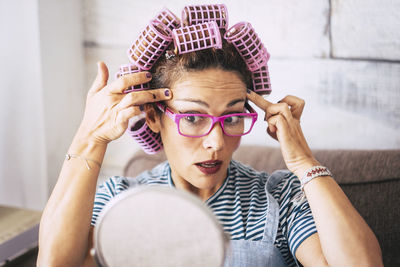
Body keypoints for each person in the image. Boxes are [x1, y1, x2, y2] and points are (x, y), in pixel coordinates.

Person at [37, 12, 383, 267]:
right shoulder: (122, 201)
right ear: (155, 117)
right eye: (192, 117)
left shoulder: (281, 199)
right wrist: (90, 139)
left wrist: (304, 162)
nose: (216, 142)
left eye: (232, 117)